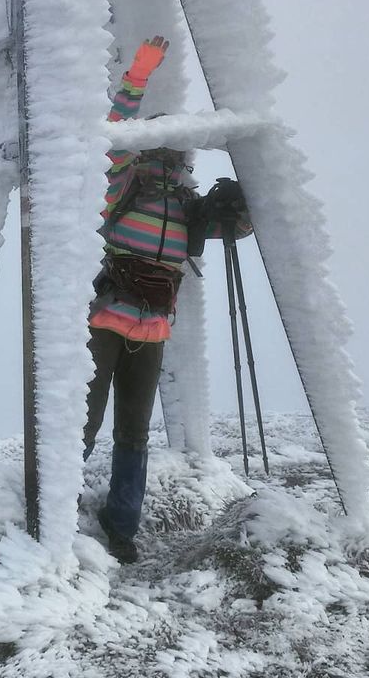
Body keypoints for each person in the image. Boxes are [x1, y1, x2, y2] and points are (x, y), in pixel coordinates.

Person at [84, 35, 251, 563]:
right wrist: (136, 77)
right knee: (86, 424)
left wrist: (243, 209)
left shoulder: (187, 206)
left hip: (152, 327)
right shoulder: (122, 184)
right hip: (106, 320)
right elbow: (113, 139)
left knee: (132, 432)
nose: (175, 154)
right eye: (169, 144)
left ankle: (120, 527)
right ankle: (57, 513)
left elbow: (231, 230)